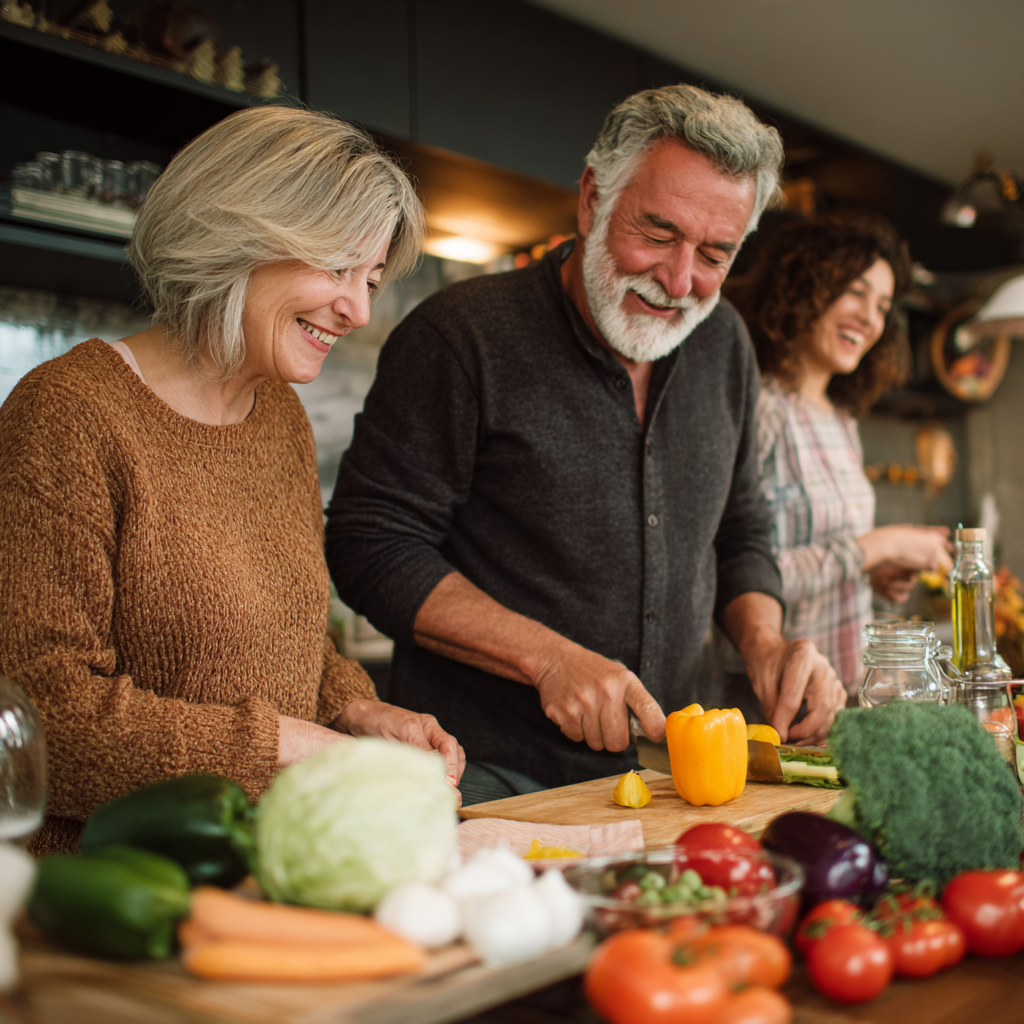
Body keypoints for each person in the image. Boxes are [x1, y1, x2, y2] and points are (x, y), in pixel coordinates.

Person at [326, 85, 847, 804]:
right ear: (592, 198)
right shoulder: (460, 337)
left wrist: (764, 644)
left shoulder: (724, 342)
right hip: (479, 775)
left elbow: (740, 524)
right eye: (658, 234)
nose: (679, 279)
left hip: (665, 777)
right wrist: (546, 659)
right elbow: (369, 543)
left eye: (716, 253)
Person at [0, 107, 464, 854]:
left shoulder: (279, 415)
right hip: (109, 899)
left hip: (263, 865)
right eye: (339, 267)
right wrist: (286, 746)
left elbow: (291, 643)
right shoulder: (68, 414)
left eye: (372, 278)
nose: (360, 308)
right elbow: (44, 716)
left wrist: (355, 711)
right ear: (239, 234)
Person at [731, 211, 953, 696]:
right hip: (770, 701)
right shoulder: (761, 409)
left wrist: (875, 574)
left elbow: (832, 559)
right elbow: (734, 579)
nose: (871, 318)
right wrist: (880, 546)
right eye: (855, 292)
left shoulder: (842, 421)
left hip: (845, 693)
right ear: (801, 286)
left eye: (882, 306)